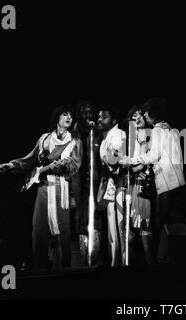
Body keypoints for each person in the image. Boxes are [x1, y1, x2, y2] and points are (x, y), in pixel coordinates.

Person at [0, 105, 82, 270]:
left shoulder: (75, 141)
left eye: (71, 115)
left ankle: (64, 270)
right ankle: (40, 269)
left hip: (61, 188)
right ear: (57, 117)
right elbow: (29, 160)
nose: (69, 117)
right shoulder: (45, 138)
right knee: (38, 229)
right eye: (65, 114)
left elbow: (75, 165)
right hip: (43, 188)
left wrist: (63, 167)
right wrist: (11, 165)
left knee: (63, 230)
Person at [120, 98, 185, 261]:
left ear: (152, 113)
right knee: (172, 225)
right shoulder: (170, 130)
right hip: (177, 182)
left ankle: (161, 261)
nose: (143, 116)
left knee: (160, 225)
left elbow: (154, 156)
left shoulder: (156, 130)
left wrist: (131, 160)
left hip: (165, 183)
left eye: (145, 113)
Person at [119, 105, 155, 265]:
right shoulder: (130, 136)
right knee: (128, 227)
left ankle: (150, 263)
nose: (137, 118)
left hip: (143, 186)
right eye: (134, 116)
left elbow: (137, 166)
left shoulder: (148, 135)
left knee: (144, 227)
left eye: (140, 115)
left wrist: (130, 162)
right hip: (131, 186)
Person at [71, 101, 102, 266]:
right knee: (80, 217)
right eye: (84, 112)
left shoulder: (96, 131)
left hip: (94, 180)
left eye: (90, 112)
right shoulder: (73, 132)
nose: (88, 115)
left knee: (95, 216)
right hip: (78, 181)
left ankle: (94, 256)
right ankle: (83, 257)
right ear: (79, 114)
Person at [97, 105, 126, 266]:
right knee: (112, 230)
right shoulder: (105, 138)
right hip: (111, 185)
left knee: (120, 229)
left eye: (104, 116)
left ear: (114, 120)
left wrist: (111, 156)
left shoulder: (119, 134)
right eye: (99, 116)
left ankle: (123, 264)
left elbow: (115, 160)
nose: (99, 119)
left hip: (121, 186)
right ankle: (115, 263)